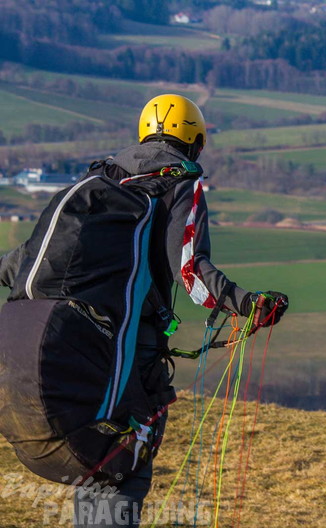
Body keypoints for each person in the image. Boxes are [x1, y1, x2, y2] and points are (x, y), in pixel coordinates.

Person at [0, 94, 287, 527]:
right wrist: (246, 305)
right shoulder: (178, 182)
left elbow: (23, 259)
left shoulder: (99, 183)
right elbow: (189, 270)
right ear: (195, 142)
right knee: (123, 464)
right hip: (122, 357)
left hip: (50, 345)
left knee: (99, 465)